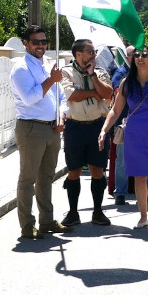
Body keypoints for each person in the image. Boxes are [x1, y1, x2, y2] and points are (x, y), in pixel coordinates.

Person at [100, 45, 148, 229]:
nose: (140, 58)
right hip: (134, 135)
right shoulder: (126, 83)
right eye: (137, 55)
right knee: (139, 177)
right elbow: (115, 111)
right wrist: (104, 130)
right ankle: (142, 217)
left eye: (144, 55)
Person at [10, 25, 66, 239]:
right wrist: (51, 80)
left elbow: (60, 96)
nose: (41, 46)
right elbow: (30, 98)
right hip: (31, 127)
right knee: (28, 178)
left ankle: (47, 221)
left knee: (47, 177)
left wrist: (61, 116)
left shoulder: (47, 67)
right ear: (26, 43)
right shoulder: (21, 69)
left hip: (52, 127)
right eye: (36, 42)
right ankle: (27, 225)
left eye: (44, 41)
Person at [62, 38, 114, 227]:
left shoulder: (100, 72)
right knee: (74, 170)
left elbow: (108, 93)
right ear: (78, 54)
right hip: (75, 127)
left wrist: (92, 77)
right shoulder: (66, 72)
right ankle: (73, 212)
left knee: (97, 170)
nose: (93, 55)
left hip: (97, 126)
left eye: (94, 52)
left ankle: (98, 211)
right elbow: (72, 96)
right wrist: (93, 93)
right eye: (90, 51)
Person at [110, 46, 135, 206]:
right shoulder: (121, 73)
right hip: (124, 123)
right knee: (122, 160)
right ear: (128, 56)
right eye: (136, 54)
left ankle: (146, 189)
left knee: (144, 157)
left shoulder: (145, 72)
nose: (140, 57)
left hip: (142, 122)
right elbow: (117, 88)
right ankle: (120, 192)